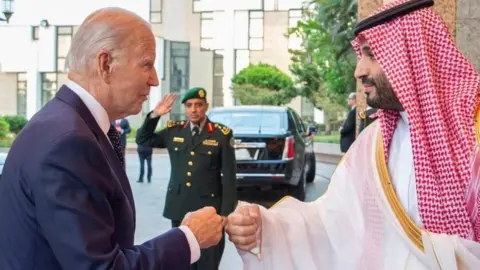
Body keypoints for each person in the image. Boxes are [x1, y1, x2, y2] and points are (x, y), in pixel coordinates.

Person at [226, 0, 480, 269]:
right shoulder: (374, 144)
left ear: (411, 55)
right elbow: (330, 223)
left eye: (372, 54)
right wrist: (265, 228)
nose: (359, 71)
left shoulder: (474, 136)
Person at [0, 8, 225, 270]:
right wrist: (189, 239)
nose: (154, 79)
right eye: (147, 64)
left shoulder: (67, 123)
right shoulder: (68, 141)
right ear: (105, 64)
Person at [136, 87, 237, 270]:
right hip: (180, 207)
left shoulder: (221, 134)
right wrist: (155, 115)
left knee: (208, 264)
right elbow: (143, 139)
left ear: (206, 106)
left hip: (210, 210)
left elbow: (229, 177)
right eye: (189, 105)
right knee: (183, 262)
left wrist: (225, 212)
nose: (194, 109)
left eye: (198, 105)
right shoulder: (174, 131)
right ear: (185, 108)